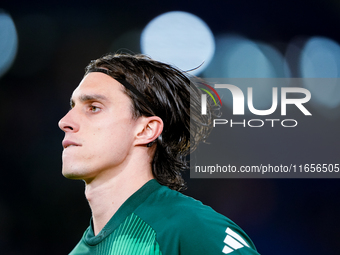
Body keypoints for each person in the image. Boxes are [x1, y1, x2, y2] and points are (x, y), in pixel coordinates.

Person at [58, 53, 260, 255]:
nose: (65, 121)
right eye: (73, 106)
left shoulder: (191, 228)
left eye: (94, 107)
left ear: (146, 130)